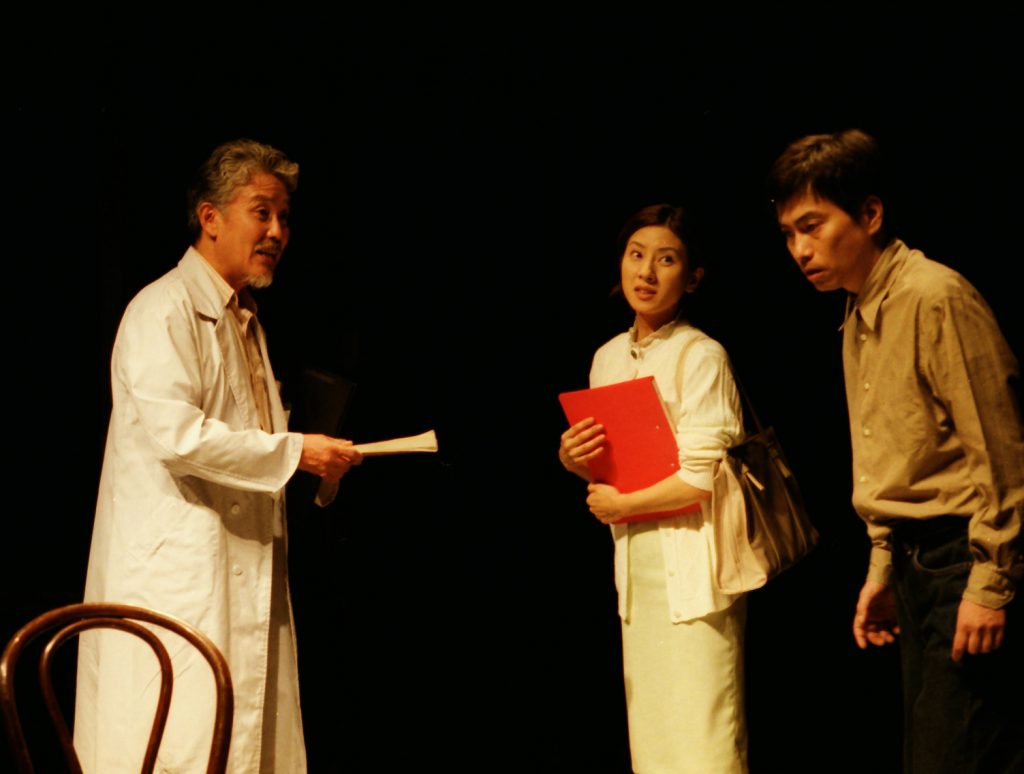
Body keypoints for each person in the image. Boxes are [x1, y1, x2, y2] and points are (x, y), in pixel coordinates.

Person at [75, 139, 363, 773]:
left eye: (283, 217)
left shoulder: (246, 322)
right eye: (261, 212)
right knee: (177, 740)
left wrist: (317, 456)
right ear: (210, 217)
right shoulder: (162, 311)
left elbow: (258, 442)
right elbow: (179, 437)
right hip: (180, 579)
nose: (277, 232)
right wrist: (297, 451)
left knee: (244, 742)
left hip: (242, 572)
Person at [771, 128, 1024, 773]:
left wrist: (991, 582)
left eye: (812, 226)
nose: (799, 249)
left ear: (870, 213)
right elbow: (895, 455)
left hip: (962, 559)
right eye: (789, 234)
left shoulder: (934, 297)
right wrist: (883, 567)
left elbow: (1002, 452)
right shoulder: (857, 313)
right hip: (917, 568)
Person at [559, 204, 747, 773]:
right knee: (653, 744)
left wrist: (622, 504)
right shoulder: (607, 358)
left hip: (695, 571)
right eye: (636, 255)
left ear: (692, 277)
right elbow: (610, 469)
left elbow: (703, 477)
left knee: (704, 743)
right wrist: (573, 459)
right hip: (636, 574)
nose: (646, 272)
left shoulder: (702, 355)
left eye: (666, 260)